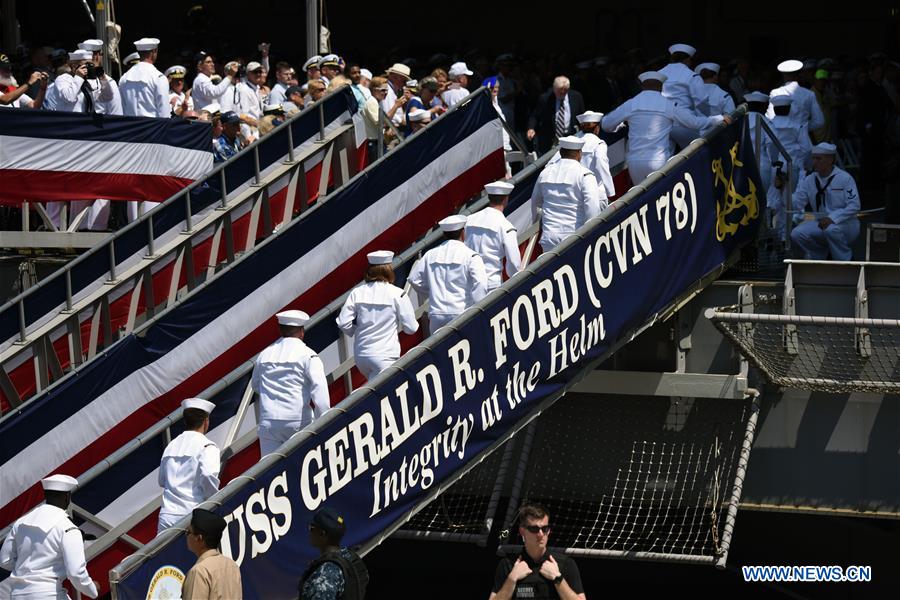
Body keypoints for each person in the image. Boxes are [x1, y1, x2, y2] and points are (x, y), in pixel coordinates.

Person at [601, 71, 727, 184]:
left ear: (642, 86)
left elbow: (606, 124)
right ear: (661, 87)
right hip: (658, 161)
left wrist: (621, 124)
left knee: (640, 201)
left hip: (635, 162)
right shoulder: (668, 105)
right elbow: (695, 123)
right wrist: (719, 118)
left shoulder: (631, 104)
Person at [0, 475, 99, 599]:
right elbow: (76, 573)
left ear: (46, 495)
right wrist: (93, 590)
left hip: (17, 595)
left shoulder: (21, 522)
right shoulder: (67, 527)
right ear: (67, 497)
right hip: (49, 594)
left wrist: (29, 571)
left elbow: (5, 560)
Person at [251, 310, 330, 456]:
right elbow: (319, 390)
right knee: (302, 465)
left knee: (270, 470)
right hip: (297, 421)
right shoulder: (308, 354)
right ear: (301, 332)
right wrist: (325, 420)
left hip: (269, 421)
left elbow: (256, 385)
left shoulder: (264, 355)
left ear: (280, 330)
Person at [336, 250, 419, 380]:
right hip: (385, 356)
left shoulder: (357, 293)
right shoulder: (398, 294)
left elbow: (343, 322)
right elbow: (411, 328)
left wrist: (357, 331)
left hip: (361, 355)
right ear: (388, 270)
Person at [408, 215, 488, 335]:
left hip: (437, 314)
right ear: (463, 233)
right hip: (462, 312)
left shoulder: (430, 255)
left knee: (441, 351)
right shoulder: (470, 256)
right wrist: (477, 307)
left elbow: (414, 279)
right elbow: (480, 284)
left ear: (445, 234)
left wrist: (431, 294)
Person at [489, 504, 585, 600]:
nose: (540, 534)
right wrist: (512, 579)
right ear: (522, 531)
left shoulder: (565, 564)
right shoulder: (508, 564)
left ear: (549, 531)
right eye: (534, 529)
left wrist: (558, 578)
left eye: (544, 529)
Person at [788, 142, 860, 260]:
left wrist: (833, 218)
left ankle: (845, 260)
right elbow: (796, 204)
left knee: (831, 229)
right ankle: (820, 257)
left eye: (818, 159)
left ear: (830, 160)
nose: (814, 162)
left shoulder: (844, 178)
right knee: (797, 233)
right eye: (813, 158)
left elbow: (854, 206)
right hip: (821, 223)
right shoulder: (809, 180)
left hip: (846, 224)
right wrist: (784, 189)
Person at [531, 136, 603, 252]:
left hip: (549, 236)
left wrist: (537, 223)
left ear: (560, 152)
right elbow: (592, 207)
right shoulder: (584, 175)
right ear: (580, 153)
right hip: (574, 235)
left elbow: (536, 202)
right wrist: (592, 234)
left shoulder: (545, 173)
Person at [157, 398, 220, 533]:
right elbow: (208, 475)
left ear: (186, 421)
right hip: (192, 513)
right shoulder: (207, 446)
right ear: (206, 422)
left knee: (166, 554)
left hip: (167, 515)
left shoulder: (171, 446)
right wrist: (214, 499)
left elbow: (161, 481)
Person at [298, 508, 369, 600]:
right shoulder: (349, 557)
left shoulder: (324, 576)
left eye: (312, 528)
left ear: (322, 534)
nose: (309, 532)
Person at [768, 59, 825, 170]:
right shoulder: (809, 94)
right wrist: (803, 126)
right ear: (798, 75)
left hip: (780, 142)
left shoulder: (775, 93)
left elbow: (770, 119)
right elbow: (820, 121)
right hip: (802, 147)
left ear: (783, 75)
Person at [465, 181, 522, 291]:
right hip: (491, 285)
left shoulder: (469, 220)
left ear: (489, 197)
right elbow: (514, 263)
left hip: (470, 283)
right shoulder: (505, 226)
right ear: (506, 199)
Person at [549, 110, 615, 200]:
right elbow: (601, 165)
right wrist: (610, 192)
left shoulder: (572, 142)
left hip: (574, 193)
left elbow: (551, 163)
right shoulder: (598, 144)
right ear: (597, 128)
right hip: (595, 193)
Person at [182, 508, 242, 600]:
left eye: (188, 532)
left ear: (199, 538)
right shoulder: (232, 565)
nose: (186, 536)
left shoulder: (199, 571)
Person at [659, 43, 708, 148]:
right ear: (688, 60)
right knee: (695, 154)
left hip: (662, 122)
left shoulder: (659, 74)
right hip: (685, 123)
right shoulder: (691, 75)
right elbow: (702, 101)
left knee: (665, 160)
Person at [528, 76, 586, 154]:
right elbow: (534, 115)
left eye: (564, 91)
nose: (562, 93)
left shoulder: (576, 97)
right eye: (559, 91)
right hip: (551, 138)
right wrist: (531, 128)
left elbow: (581, 115)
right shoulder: (545, 98)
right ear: (554, 89)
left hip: (570, 136)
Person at [119, 37, 169, 118]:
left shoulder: (124, 78)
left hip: (131, 128)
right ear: (154, 51)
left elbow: (122, 108)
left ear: (138, 53)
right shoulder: (158, 77)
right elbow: (164, 114)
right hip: (152, 128)